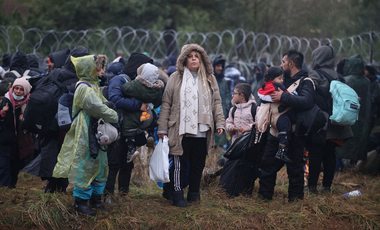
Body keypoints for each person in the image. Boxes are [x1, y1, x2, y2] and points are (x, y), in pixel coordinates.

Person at [157, 44, 225, 207]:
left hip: (202, 130)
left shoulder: (209, 78)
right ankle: (177, 195)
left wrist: (220, 122)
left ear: (202, 59)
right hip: (180, 130)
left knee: (198, 163)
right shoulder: (175, 77)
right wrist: (162, 127)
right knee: (179, 163)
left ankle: (194, 194)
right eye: (190, 56)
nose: (194, 58)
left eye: (197, 55)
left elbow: (216, 102)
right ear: (184, 59)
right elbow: (166, 103)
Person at [52, 54, 118, 216]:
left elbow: (102, 104)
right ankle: (80, 202)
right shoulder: (83, 87)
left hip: (96, 129)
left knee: (100, 166)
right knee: (87, 164)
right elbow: (97, 107)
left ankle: (96, 200)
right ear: (90, 69)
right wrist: (113, 115)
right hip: (86, 130)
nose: (102, 71)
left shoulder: (93, 85)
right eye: (99, 68)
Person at [258, 49, 314, 202]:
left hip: (294, 134)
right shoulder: (280, 80)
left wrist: (283, 96)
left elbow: (306, 102)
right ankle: (264, 197)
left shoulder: (306, 82)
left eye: (283, 62)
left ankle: (295, 200)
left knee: (295, 168)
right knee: (268, 165)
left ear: (291, 63)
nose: (281, 65)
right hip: (274, 132)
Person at [304, 45, 353, 194]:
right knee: (330, 155)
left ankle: (312, 186)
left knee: (315, 154)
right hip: (336, 122)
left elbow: (310, 97)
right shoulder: (340, 76)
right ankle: (327, 187)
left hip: (319, 121)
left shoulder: (315, 75)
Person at [104, 52, 153, 200]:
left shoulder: (136, 83)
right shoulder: (119, 79)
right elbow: (115, 99)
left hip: (130, 131)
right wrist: (139, 105)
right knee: (114, 164)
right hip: (117, 129)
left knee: (127, 164)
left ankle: (124, 195)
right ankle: (108, 196)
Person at [122, 63, 164, 162]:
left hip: (136, 114)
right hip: (149, 115)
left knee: (128, 127)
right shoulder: (157, 90)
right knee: (151, 121)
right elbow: (158, 103)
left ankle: (131, 148)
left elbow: (125, 88)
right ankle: (150, 134)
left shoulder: (137, 85)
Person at [335, 55, 371, 163]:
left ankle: (341, 167)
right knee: (357, 142)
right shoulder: (367, 82)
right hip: (362, 118)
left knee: (343, 143)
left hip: (347, 117)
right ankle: (353, 165)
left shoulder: (346, 80)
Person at [257, 66, 294, 162]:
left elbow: (262, 96)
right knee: (286, 128)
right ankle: (281, 151)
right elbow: (286, 97)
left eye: (282, 78)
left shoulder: (264, 86)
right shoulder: (277, 86)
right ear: (272, 78)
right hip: (280, 115)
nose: (282, 81)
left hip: (269, 117)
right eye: (279, 78)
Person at [0, 78, 32, 188]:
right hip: (4, 140)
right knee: (4, 165)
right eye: (16, 88)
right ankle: (5, 186)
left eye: (21, 89)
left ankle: (12, 186)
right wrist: (3, 113)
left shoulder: (27, 105)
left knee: (15, 166)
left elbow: (30, 125)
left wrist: (23, 121)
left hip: (18, 142)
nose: (18, 91)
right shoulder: (5, 101)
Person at [211, 54, 230, 149]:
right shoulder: (208, 81)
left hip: (222, 114)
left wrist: (227, 108)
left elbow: (227, 95)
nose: (220, 68)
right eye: (218, 66)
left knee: (221, 141)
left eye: (221, 66)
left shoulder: (223, 82)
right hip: (210, 114)